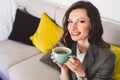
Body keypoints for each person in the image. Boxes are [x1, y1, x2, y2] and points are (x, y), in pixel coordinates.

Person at [51, 1, 116, 80]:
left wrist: (81, 73)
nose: (72, 27)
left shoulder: (106, 57)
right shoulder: (66, 44)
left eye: (81, 21)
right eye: (70, 21)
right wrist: (64, 69)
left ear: (92, 24)